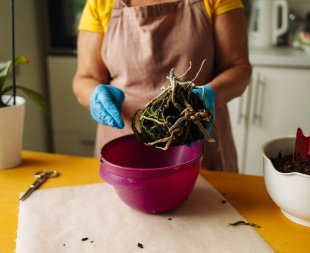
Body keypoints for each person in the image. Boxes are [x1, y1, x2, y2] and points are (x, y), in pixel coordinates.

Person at [72, 0, 252, 172]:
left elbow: (239, 68)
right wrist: (94, 95)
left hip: (196, 139)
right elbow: (85, 77)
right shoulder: (99, 3)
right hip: (123, 148)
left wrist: (212, 94)